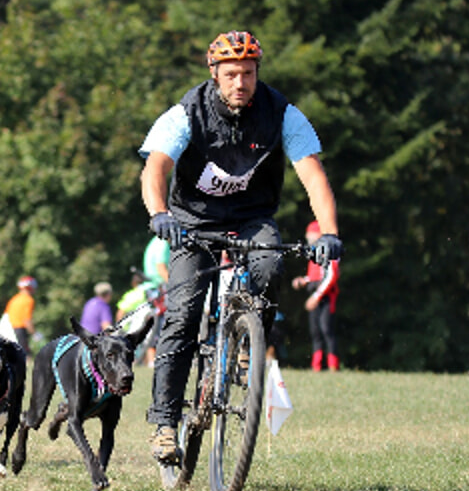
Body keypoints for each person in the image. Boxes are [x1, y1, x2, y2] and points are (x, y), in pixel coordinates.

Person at [139, 30, 343, 464]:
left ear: (257, 73)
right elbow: (156, 165)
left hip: (252, 220)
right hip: (192, 222)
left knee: (270, 263)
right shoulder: (187, 112)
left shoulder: (282, 113)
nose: (240, 82)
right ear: (214, 74)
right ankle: (163, 425)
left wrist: (327, 231)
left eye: (247, 73)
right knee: (181, 315)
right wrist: (160, 213)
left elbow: (312, 175)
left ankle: (249, 339)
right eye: (231, 74)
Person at [292, 220, 340, 371]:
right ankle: (316, 366)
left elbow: (331, 276)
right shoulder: (313, 252)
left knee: (326, 329)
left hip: (326, 296)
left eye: (310, 233)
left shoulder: (329, 250)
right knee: (315, 332)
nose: (308, 236)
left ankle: (333, 366)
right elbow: (315, 276)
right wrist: (304, 280)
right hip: (315, 293)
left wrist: (316, 297)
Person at [4, 275, 37, 355]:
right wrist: (34, 333)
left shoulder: (14, 299)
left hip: (8, 329)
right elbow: (27, 320)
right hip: (19, 330)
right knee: (25, 354)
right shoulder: (28, 300)